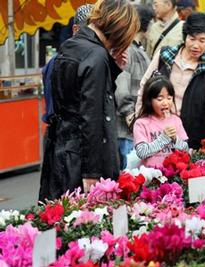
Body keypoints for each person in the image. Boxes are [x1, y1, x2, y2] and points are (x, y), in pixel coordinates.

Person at [39, 0, 140, 201]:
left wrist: (112, 70)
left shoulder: (71, 45)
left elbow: (75, 97)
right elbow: (92, 117)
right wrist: (91, 172)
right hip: (81, 158)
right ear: (119, 29)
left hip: (61, 149)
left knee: (60, 217)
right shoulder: (97, 55)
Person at [135, 12, 205, 149]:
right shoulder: (164, 56)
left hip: (190, 138)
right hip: (155, 132)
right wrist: (139, 118)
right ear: (185, 37)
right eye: (192, 39)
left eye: (202, 41)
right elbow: (144, 87)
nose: (195, 45)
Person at [115, 4, 153, 170]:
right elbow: (121, 89)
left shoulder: (137, 49)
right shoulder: (127, 50)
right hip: (127, 129)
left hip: (135, 128)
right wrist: (131, 115)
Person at [41, 4, 93, 124]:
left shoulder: (92, 59)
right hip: (68, 133)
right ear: (75, 29)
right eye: (89, 32)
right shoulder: (65, 61)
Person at [134, 75, 189, 168]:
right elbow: (141, 152)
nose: (165, 102)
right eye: (160, 99)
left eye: (169, 98)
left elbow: (186, 149)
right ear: (149, 100)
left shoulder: (176, 120)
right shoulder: (141, 123)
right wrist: (164, 138)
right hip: (151, 176)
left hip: (173, 175)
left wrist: (175, 139)